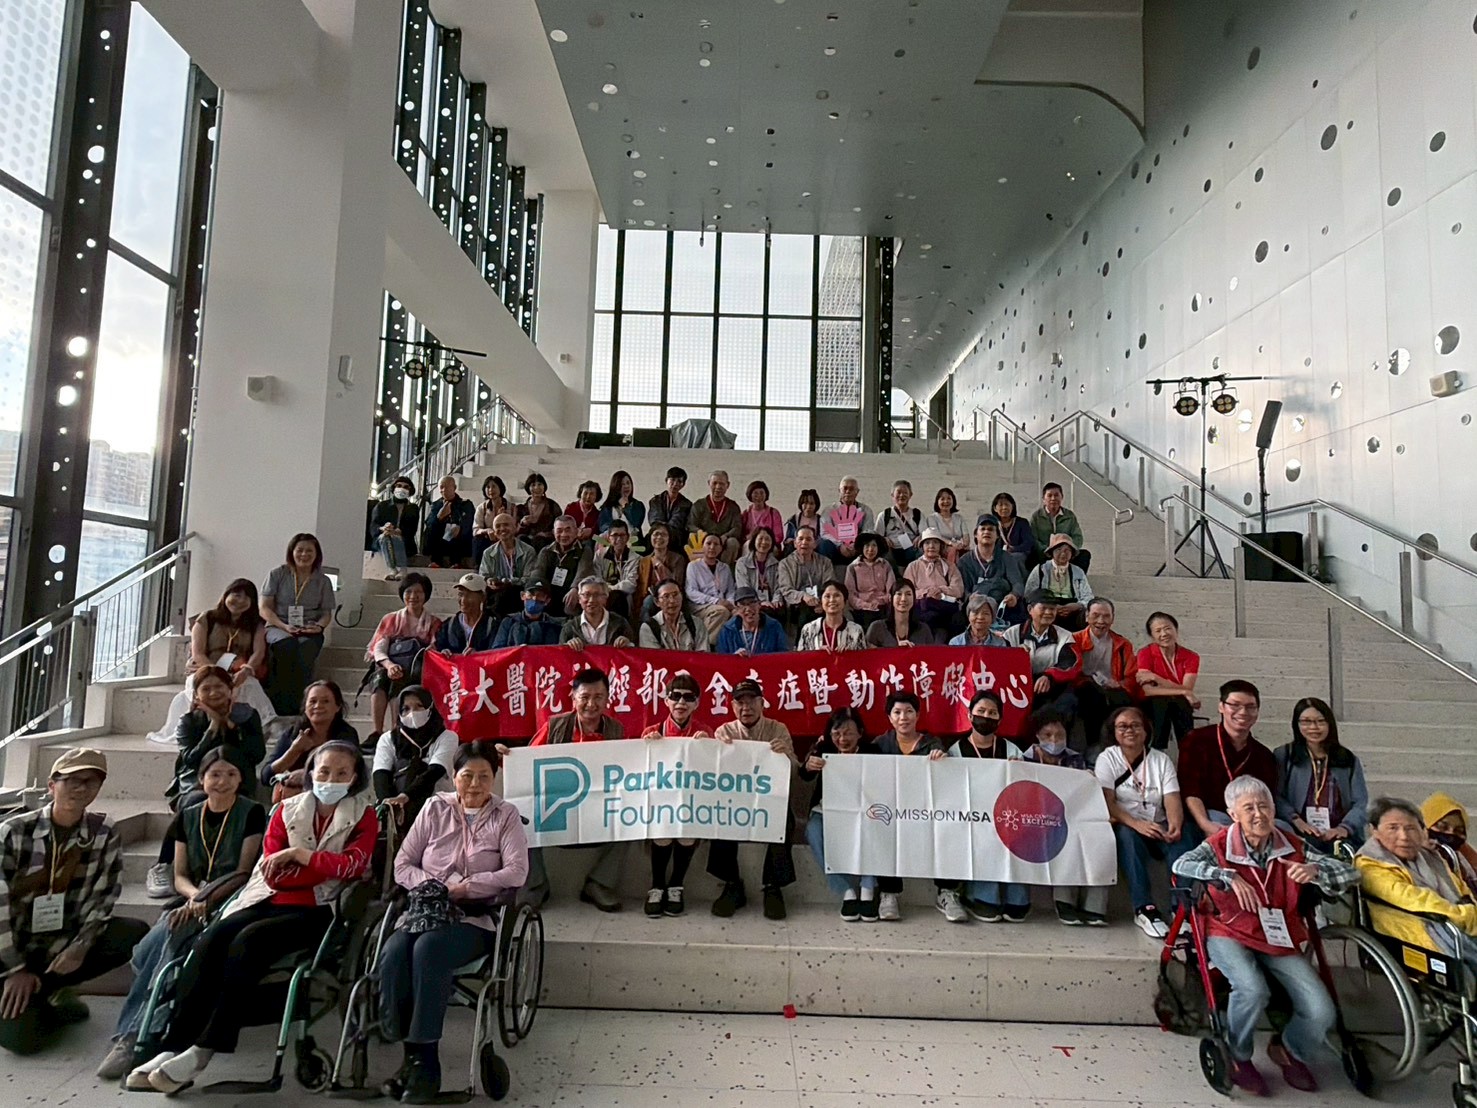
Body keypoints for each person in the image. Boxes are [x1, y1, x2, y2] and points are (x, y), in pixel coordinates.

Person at [134, 741, 378, 1093]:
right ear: (311, 772)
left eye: (341, 773)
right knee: (212, 938)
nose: (331, 779)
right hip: (267, 897)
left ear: (354, 778)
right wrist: (320, 866)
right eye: (324, 771)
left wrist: (299, 855)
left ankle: (203, 1049)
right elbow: (272, 872)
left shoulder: (364, 815)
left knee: (248, 943)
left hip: (318, 909)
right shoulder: (285, 809)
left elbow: (353, 867)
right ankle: (173, 1045)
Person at [1172, 776, 1357, 1097]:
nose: (1259, 814)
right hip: (1228, 928)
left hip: (1276, 933)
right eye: (1249, 808)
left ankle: (1289, 1049)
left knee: (1321, 1010)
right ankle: (1238, 1055)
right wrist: (1226, 876)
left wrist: (1316, 871)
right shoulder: (1219, 845)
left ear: (1274, 809)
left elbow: (1351, 871)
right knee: (1252, 989)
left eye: (1264, 806)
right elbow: (1182, 863)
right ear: (1233, 814)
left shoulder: (1291, 844)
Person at [98, 751, 265, 1079]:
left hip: (232, 898)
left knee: (170, 939)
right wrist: (193, 898)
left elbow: (243, 872)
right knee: (151, 949)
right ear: (201, 779)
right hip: (192, 899)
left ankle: (135, 1037)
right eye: (215, 774)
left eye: (231, 774)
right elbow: (179, 876)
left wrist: (205, 898)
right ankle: (150, 1024)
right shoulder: (187, 816)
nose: (222, 782)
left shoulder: (252, 813)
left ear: (240, 780)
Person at [378, 743, 527, 1102]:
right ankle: (409, 1057)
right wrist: (433, 887)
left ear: (495, 778)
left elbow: (516, 872)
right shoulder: (434, 808)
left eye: (484, 776)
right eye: (467, 775)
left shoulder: (506, 815)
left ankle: (427, 1065)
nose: (475, 784)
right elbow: (403, 864)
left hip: (474, 918)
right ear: (454, 777)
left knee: (429, 948)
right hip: (424, 912)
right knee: (395, 951)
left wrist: (468, 887)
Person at [0, 749, 146, 1057]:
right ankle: (41, 1000)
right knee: (22, 1042)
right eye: (71, 780)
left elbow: (105, 896)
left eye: (90, 781)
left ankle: (49, 988)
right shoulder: (14, 831)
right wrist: (15, 969)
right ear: (52, 785)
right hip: (11, 949)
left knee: (132, 932)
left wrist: (81, 945)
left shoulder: (103, 831)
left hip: (59, 943)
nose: (81, 788)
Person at [523, 669, 626, 911]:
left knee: (632, 817)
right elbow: (527, 762)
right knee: (520, 818)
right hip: (557, 811)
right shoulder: (555, 726)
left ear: (608, 698)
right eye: (585, 697)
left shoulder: (616, 730)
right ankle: (536, 886)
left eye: (598, 697)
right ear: (573, 697)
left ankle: (599, 884)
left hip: (597, 812)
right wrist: (506, 756)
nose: (591, 704)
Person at [708, 679, 799, 920]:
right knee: (719, 814)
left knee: (784, 818)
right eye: (740, 703)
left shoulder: (778, 729)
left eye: (752, 702)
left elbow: (794, 773)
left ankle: (772, 886)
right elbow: (714, 775)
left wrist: (785, 757)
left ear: (762, 703)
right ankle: (731, 884)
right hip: (736, 800)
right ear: (732, 706)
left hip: (769, 799)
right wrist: (717, 751)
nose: (746, 707)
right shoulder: (725, 731)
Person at [1095, 704, 1187, 939]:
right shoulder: (1107, 758)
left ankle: (1181, 909)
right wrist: (1137, 824)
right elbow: (1108, 802)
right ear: (1114, 732)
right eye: (1122, 726)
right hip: (1127, 824)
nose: (1129, 730)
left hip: (1157, 824)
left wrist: (1174, 824)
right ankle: (1144, 908)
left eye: (1136, 725)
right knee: (1127, 837)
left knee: (1184, 839)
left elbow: (1172, 797)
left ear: (1146, 730)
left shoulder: (1161, 760)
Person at [1356, 797, 1477, 976]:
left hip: (1456, 922)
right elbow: (1415, 900)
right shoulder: (1370, 864)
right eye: (1393, 828)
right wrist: (1466, 916)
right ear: (1374, 830)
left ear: (1422, 830)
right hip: (1417, 932)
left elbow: (1460, 889)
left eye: (1410, 828)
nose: (1404, 836)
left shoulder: (1431, 855)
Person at [148, 578, 275, 745]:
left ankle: (257, 729)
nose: (240, 600)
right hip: (205, 669)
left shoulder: (255, 624)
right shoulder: (207, 618)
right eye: (236, 595)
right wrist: (217, 674)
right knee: (203, 686)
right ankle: (203, 727)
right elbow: (198, 653)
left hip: (237, 671)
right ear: (226, 595)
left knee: (251, 685)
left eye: (246, 597)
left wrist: (246, 670)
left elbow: (258, 653)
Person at [1023, 711, 1108, 926]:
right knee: (1064, 836)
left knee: (1101, 837)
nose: (1054, 740)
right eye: (1047, 735)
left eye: (1060, 735)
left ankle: (1095, 906)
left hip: (1071, 816)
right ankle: (1064, 901)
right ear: (1037, 736)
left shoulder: (1076, 760)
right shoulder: (1023, 760)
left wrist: (1090, 781)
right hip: (1035, 819)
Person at [639, 674, 711, 917]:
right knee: (662, 833)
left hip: (692, 805)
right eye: (675, 696)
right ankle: (657, 886)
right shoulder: (652, 732)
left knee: (687, 834)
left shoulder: (704, 732)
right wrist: (648, 747)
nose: (681, 702)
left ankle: (676, 885)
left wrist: (709, 749)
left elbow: (714, 774)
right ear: (666, 700)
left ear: (697, 703)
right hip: (660, 804)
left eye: (688, 698)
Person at [800, 708, 881, 921]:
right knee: (813, 831)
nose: (842, 739)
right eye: (837, 734)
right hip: (827, 811)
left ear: (860, 733)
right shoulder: (824, 748)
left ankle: (868, 888)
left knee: (874, 825)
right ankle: (846, 890)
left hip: (864, 812)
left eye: (848, 733)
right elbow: (804, 774)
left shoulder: (873, 751)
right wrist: (809, 765)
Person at [874, 692, 950, 921]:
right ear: (889, 718)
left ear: (917, 715)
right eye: (897, 712)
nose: (903, 717)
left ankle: (947, 893)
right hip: (892, 812)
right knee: (881, 830)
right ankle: (888, 893)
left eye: (909, 712)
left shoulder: (932, 743)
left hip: (925, 812)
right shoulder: (880, 744)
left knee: (948, 829)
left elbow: (946, 781)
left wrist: (942, 760)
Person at [1178, 680, 1279, 840]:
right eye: (1235, 705)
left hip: (1250, 816)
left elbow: (1267, 798)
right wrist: (1205, 824)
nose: (1243, 712)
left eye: (1250, 707)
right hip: (1209, 816)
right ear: (1221, 707)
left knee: (1283, 828)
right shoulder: (1197, 740)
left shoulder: (1263, 755)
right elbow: (1190, 790)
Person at [164, 664, 266, 815]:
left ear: (230, 689)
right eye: (206, 689)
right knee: (198, 802)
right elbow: (191, 760)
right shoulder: (188, 721)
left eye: (219, 686)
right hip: (195, 783)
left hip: (237, 781)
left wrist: (230, 725)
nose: (213, 693)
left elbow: (257, 755)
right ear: (196, 694)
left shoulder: (248, 715)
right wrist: (213, 727)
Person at [1273, 697, 1367, 852]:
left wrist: (1344, 828)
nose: (1314, 727)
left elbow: (1361, 802)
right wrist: (1296, 821)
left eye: (1320, 721)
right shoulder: (1285, 755)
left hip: (1338, 833)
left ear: (1330, 723)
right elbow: (1276, 796)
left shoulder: (1347, 759)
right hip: (1298, 831)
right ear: (1296, 724)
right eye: (1306, 722)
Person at [260, 532, 336, 715]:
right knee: (286, 645)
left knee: (306, 648)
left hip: (309, 628)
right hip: (278, 626)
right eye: (300, 550)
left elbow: (326, 613)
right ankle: (279, 703)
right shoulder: (277, 574)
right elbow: (264, 608)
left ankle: (302, 703)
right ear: (291, 552)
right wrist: (284, 626)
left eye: (309, 551)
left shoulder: (323, 580)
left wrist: (319, 627)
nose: (304, 555)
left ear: (317, 554)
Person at [364, 572, 440, 739]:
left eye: (418, 592)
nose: (413, 596)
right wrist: (389, 665)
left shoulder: (434, 623)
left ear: (426, 595)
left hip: (416, 669)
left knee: (398, 681)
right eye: (408, 592)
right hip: (390, 665)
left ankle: (396, 729)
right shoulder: (390, 619)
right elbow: (379, 648)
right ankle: (377, 731)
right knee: (379, 679)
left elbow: (434, 649)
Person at [372, 686, 458, 830]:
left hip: (438, 808)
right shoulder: (388, 739)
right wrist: (389, 804)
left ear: (430, 708)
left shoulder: (447, 737)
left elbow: (435, 771)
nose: (412, 713)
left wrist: (405, 796)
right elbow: (381, 772)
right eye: (405, 709)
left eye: (419, 706)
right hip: (398, 808)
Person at [260, 680, 360, 802]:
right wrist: (294, 751)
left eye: (325, 701)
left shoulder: (347, 735)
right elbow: (266, 776)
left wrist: (306, 775)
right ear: (305, 707)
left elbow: (354, 774)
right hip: (294, 802)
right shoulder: (294, 733)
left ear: (337, 707)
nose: (318, 706)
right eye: (313, 701)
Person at [1000, 592, 1082, 723]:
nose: (1048, 612)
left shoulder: (1065, 637)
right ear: (1030, 609)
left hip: (1051, 687)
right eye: (1043, 608)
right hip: (1017, 686)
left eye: (1052, 609)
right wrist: (1015, 655)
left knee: (1069, 700)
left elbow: (1071, 664)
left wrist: (1049, 676)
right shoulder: (1012, 633)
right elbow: (1000, 662)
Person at [1071, 598, 1138, 749]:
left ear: (1113, 618)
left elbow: (1132, 675)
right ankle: (1094, 747)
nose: (1101, 621)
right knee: (1091, 696)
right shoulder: (1074, 640)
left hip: (1112, 687)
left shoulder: (1123, 644)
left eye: (1106, 616)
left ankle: (1121, 747)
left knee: (1123, 701)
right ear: (1087, 616)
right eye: (1096, 615)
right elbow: (1070, 670)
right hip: (1084, 687)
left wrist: (1119, 684)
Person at [1135, 611, 1201, 751]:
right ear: (1152, 636)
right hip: (1151, 703)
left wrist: (1156, 678)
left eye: (1167, 628)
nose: (1164, 634)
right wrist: (1183, 691)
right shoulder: (1145, 653)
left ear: (1176, 629)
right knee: (1161, 701)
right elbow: (1148, 691)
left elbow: (1187, 688)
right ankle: (1157, 750)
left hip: (1178, 703)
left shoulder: (1191, 657)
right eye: (1158, 631)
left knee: (1181, 703)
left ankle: (1188, 751)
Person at [958, 515, 1025, 626]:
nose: (986, 532)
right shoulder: (964, 561)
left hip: (1002, 603)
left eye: (991, 529)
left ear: (997, 535)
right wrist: (969, 597)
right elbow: (963, 589)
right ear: (976, 534)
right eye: (983, 529)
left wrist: (1014, 595)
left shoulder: (1007, 557)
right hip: (975, 605)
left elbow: (1017, 583)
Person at [1023, 534, 1092, 632]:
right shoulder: (1041, 569)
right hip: (1048, 605)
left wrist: (1077, 606)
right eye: (1059, 550)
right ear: (1052, 552)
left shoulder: (1078, 571)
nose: (1063, 554)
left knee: (1088, 614)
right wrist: (1052, 606)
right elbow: (1029, 594)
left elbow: (1088, 597)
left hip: (1072, 608)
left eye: (1067, 550)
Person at [778, 525, 836, 636]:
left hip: (822, 603)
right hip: (797, 605)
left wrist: (823, 603)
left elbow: (830, 586)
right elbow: (786, 590)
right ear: (795, 543)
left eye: (809, 539)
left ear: (815, 543)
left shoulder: (825, 562)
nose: (804, 542)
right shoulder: (785, 564)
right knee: (806, 612)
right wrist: (803, 596)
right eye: (800, 539)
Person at [903, 530, 964, 634]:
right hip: (922, 606)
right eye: (927, 543)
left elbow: (958, 590)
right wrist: (927, 593)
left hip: (944, 605)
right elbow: (908, 591)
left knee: (958, 619)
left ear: (940, 546)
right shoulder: (913, 566)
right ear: (922, 546)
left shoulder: (949, 566)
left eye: (935, 542)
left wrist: (940, 590)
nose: (931, 546)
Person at [478, 512, 537, 618]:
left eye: (506, 525)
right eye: (498, 526)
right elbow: (483, 576)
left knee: (508, 594)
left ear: (515, 527)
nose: (502, 529)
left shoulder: (528, 551)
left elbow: (529, 579)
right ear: (494, 531)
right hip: (495, 594)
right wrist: (490, 581)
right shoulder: (488, 553)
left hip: (519, 593)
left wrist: (509, 582)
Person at [534, 515, 594, 616]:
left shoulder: (584, 550)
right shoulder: (546, 551)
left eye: (568, 530)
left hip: (571, 592)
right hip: (549, 592)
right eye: (559, 530)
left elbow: (583, 572)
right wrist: (538, 589)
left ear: (576, 531)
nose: (563, 534)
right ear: (553, 532)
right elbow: (538, 572)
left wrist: (575, 588)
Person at [685, 533, 736, 645]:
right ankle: (704, 646)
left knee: (738, 613)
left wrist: (730, 603)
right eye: (708, 543)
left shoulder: (725, 568)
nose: (712, 547)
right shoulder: (693, 566)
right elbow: (691, 592)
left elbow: (731, 590)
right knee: (721, 611)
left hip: (722, 604)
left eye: (716, 544)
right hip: (700, 606)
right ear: (703, 546)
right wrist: (716, 601)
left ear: (721, 548)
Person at [1029, 482, 1090, 571]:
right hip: (1045, 554)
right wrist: (1049, 551)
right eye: (1049, 495)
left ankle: (1075, 578)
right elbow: (1033, 539)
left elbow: (1078, 537)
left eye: (1056, 495)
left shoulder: (1069, 516)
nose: (1053, 498)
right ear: (1043, 499)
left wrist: (1066, 550)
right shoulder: (1036, 517)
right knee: (1030, 557)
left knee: (1085, 555)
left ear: (1062, 497)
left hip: (1066, 554)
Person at [560, 577, 636, 649]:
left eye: (597, 595)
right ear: (579, 599)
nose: (591, 600)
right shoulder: (569, 628)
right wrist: (567, 648)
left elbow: (635, 654)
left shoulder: (620, 624)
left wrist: (628, 645)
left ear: (605, 598)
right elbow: (560, 655)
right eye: (586, 595)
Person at [433, 573, 499, 654]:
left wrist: (478, 655)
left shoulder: (492, 625)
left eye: (469, 595)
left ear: (483, 597)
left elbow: (495, 654)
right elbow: (438, 646)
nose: (463, 600)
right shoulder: (449, 625)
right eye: (460, 594)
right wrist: (443, 652)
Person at [1421, 793, 1477, 889]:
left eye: (1458, 830)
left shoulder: (1463, 852)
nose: (1451, 833)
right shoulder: (1414, 856)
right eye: (1442, 827)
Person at [371, 476, 421, 580]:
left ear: (410, 490)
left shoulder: (413, 508)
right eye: (399, 486)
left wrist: (398, 531)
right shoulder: (381, 506)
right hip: (382, 538)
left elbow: (412, 529)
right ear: (394, 488)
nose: (402, 489)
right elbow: (373, 526)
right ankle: (394, 569)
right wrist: (383, 529)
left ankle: (400, 569)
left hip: (405, 541)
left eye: (406, 487)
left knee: (395, 538)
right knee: (385, 538)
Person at [688, 469, 742, 564]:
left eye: (721, 484)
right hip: (704, 539)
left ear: (727, 485)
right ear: (709, 483)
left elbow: (737, 528)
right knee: (692, 537)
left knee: (733, 542)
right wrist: (703, 535)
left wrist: (726, 536)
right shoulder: (699, 504)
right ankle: (699, 568)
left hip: (723, 541)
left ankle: (723, 569)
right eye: (715, 483)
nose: (718, 487)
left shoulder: (733, 507)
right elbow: (691, 525)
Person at [717, 587, 790, 656]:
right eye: (742, 605)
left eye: (752, 603)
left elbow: (783, 655)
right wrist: (735, 658)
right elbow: (722, 658)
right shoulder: (727, 630)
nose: (748, 609)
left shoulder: (774, 627)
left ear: (759, 604)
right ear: (737, 609)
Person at [865, 579, 936, 648]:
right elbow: (869, 654)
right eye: (899, 594)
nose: (903, 599)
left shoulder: (924, 630)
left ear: (914, 599)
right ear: (891, 598)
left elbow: (930, 654)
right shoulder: (877, 628)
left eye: (908, 594)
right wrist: (896, 649)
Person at [635, 522, 687, 618]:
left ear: (669, 538)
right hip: (652, 597)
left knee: (649, 602)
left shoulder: (678, 559)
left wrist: (659, 565)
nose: (659, 537)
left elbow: (677, 583)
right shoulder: (644, 561)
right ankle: (645, 627)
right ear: (650, 537)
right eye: (656, 534)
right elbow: (641, 587)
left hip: (671, 595)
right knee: (647, 602)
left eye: (663, 535)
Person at [423, 475, 476, 568]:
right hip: (442, 539)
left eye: (447, 487)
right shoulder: (436, 505)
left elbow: (468, 522)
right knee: (429, 530)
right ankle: (436, 561)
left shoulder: (465, 504)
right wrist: (439, 517)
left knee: (460, 531)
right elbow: (429, 524)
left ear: (454, 488)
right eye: (441, 487)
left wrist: (459, 527)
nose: (444, 490)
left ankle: (457, 563)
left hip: (458, 538)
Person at [639, 579, 708, 651]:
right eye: (666, 596)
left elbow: (703, 655)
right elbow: (652, 656)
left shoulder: (697, 624)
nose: (672, 601)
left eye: (675, 595)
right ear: (657, 602)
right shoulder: (648, 628)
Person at [798, 581, 867, 651]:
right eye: (827, 596)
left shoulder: (856, 630)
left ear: (845, 601)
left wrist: (850, 654)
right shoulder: (808, 629)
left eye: (837, 595)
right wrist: (817, 653)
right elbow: (800, 657)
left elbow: (862, 657)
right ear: (821, 601)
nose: (832, 600)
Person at [592, 519, 640, 620]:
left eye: (622, 535)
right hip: (602, 593)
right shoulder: (600, 555)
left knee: (617, 596)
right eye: (615, 535)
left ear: (628, 537)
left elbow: (631, 584)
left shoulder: (634, 558)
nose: (619, 539)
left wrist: (611, 589)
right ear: (608, 538)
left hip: (623, 596)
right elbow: (596, 578)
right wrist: (606, 590)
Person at [819, 476, 874, 564]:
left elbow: (868, 531)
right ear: (839, 491)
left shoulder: (866, 510)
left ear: (857, 492)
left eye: (851, 489)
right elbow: (825, 533)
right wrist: (840, 544)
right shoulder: (829, 510)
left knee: (871, 543)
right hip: (836, 547)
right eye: (845, 488)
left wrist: (855, 544)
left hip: (857, 548)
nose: (848, 491)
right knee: (824, 545)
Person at [492, 579, 561, 647]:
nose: (534, 598)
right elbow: (497, 650)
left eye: (540, 595)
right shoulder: (509, 622)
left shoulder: (554, 625)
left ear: (547, 600)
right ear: (522, 595)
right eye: (531, 594)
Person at [845, 533, 895, 627]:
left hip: (883, 607)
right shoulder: (853, 567)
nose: (870, 549)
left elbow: (892, 590)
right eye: (867, 546)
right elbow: (850, 594)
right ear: (862, 547)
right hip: (862, 609)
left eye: (874, 545)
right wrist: (865, 605)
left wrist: (881, 601)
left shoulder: (885, 565)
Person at [875, 480, 924, 568]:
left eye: (905, 492)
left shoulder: (917, 514)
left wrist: (920, 537)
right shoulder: (884, 515)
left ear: (910, 495)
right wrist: (884, 539)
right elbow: (877, 536)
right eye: (899, 492)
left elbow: (925, 533)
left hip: (912, 548)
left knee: (923, 551)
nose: (902, 495)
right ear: (892, 495)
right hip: (891, 548)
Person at [735, 528, 784, 615]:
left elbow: (779, 586)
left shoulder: (776, 564)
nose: (764, 542)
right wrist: (760, 602)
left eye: (767, 539)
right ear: (754, 541)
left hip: (772, 603)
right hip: (750, 602)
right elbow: (744, 587)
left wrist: (776, 600)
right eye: (760, 539)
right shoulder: (742, 563)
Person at [471, 475, 511, 566]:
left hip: (505, 536)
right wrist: (487, 530)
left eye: (494, 486)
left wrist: (501, 517)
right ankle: (479, 567)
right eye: (488, 487)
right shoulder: (482, 508)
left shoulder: (510, 507)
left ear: (500, 488)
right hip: (488, 537)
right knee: (478, 540)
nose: (491, 490)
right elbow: (476, 529)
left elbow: (513, 526)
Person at [926, 487, 970, 564]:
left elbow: (966, 536)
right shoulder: (932, 518)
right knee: (953, 550)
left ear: (953, 500)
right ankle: (950, 570)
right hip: (941, 547)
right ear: (937, 501)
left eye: (949, 498)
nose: (946, 501)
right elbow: (936, 536)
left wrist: (964, 544)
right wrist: (951, 543)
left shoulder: (959, 518)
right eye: (942, 499)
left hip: (958, 546)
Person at [646, 466, 692, 539]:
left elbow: (677, 523)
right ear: (666, 480)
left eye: (679, 481)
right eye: (672, 480)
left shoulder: (687, 504)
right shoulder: (655, 501)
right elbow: (655, 521)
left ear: (683, 485)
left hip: (676, 539)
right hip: (658, 537)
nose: (675, 484)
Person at [598, 469, 645, 539]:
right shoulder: (607, 507)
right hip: (613, 540)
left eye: (628, 483)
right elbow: (603, 526)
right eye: (622, 484)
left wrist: (626, 507)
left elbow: (636, 522)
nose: (626, 486)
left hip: (633, 541)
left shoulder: (638, 505)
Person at [988, 492, 1034, 562]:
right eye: (1001, 505)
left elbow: (1028, 543)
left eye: (1007, 504)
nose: (1004, 507)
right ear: (995, 508)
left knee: (1014, 558)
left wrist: (1013, 549)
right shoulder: (992, 524)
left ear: (1012, 506)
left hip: (1018, 555)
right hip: (998, 555)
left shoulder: (1022, 522)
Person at [516, 472, 556, 550]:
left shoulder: (552, 506)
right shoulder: (522, 508)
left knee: (539, 540)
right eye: (533, 485)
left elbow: (558, 526)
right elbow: (515, 530)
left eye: (539, 484)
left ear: (544, 487)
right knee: (521, 539)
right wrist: (522, 524)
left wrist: (547, 534)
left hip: (545, 542)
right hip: (527, 542)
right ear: (528, 488)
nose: (537, 487)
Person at [741, 480, 785, 549]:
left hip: (769, 544)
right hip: (750, 544)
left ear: (766, 495)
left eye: (761, 493)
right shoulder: (746, 513)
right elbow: (741, 535)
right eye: (755, 493)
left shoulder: (773, 513)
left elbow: (779, 536)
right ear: (750, 495)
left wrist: (766, 540)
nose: (759, 496)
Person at [783, 488, 823, 557]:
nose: (808, 506)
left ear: (816, 505)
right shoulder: (794, 519)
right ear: (801, 504)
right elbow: (788, 538)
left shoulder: (821, 520)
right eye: (805, 503)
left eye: (811, 503)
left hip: (814, 548)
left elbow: (823, 537)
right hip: (797, 548)